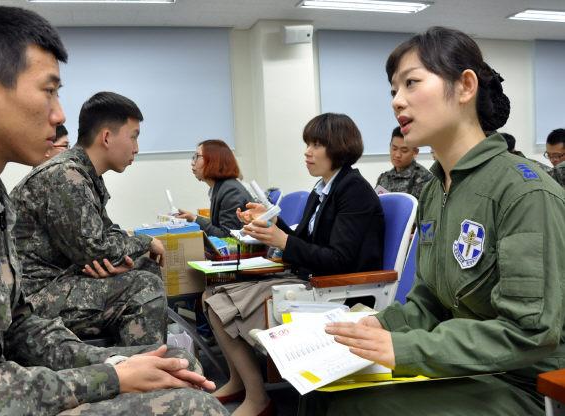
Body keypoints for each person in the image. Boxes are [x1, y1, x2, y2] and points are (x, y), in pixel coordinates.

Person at [0, 5, 227, 415]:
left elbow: (18, 326)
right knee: (193, 407)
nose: (60, 114)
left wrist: (120, 364)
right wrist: (111, 378)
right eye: (49, 91)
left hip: (0, 382)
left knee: (174, 365)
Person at [303, 26, 565, 416]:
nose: (397, 101)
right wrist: (382, 325)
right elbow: (429, 301)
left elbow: (529, 332)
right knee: (322, 391)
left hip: (525, 384)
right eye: (394, 90)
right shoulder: (435, 188)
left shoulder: (524, 192)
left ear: (465, 87)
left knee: (354, 406)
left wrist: (405, 348)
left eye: (411, 83)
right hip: (466, 367)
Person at [206, 113, 385, 416]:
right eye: (307, 144)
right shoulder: (323, 188)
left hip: (336, 289)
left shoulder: (353, 191)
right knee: (212, 295)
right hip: (310, 279)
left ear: (339, 147)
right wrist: (272, 223)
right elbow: (303, 241)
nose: (307, 152)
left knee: (218, 304)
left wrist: (283, 240)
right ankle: (240, 382)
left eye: (316, 145)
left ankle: (257, 397)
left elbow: (338, 260)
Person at [11, 91, 168, 347]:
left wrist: (120, 256)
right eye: (133, 136)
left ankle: (131, 358)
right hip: (34, 296)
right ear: (106, 137)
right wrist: (145, 242)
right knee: (144, 288)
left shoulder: (83, 174)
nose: (136, 148)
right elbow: (96, 249)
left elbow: (106, 234)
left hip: (59, 281)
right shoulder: (66, 176)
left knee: (146, 267)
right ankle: (147, 368)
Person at [177, 139, 254, 237]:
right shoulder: (221, 187)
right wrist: (193, 217)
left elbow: (227, 235)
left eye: (197, 157)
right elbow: (219, 225)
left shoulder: (231, 191)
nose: (192, 162)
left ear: (214, 160)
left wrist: (195, 219)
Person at [375, 126, 432, 200]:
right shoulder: (384, 177)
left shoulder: (424, 178)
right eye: (394, 148)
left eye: (404, 150)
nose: (397, 155)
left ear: (415, 152)